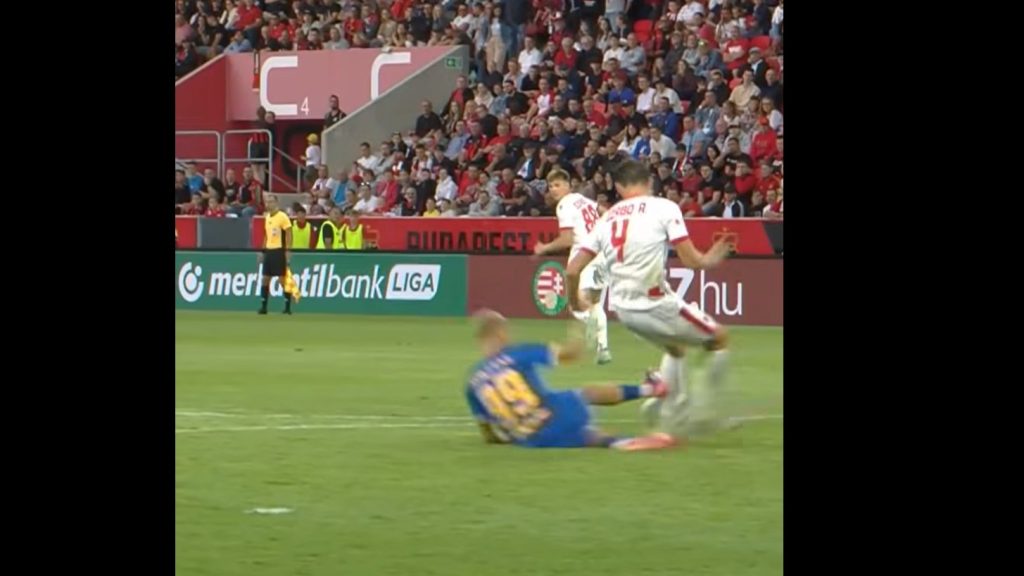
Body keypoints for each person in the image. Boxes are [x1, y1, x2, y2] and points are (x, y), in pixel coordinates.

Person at [565, 159, 734, 436]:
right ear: (649, 181)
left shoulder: (607, 218)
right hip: (655, 302)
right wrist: (711, 258)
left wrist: (575, 303)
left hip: (624, 310)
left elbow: (572, 270)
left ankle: (667, 407)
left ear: (619, 187)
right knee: (719, 339)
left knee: (675, 349)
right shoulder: (663, 208)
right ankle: (704, 412)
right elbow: (692, 262)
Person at [465, 310, 677, 451]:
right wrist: (578, 327)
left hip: (533, 440)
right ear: (500, 333)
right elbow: (572, 355)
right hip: (556, 413)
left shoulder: (472, 383)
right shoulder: (518, 354)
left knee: (584, 436)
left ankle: (622, 442)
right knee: (587, 394)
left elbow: (489, 434)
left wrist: (513, 435)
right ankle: (651, 389)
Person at [533, 168, 612, 364]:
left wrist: (544, 248)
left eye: (558, 185)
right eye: (551, 186)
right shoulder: (581, 199)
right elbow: (605, 211)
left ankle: (590, 325)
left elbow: (567, 239)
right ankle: (603, 348)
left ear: (568, 186)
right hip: (603, 253)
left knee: (578, 304)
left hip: (583, 255)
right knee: (594, 302)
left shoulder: (564, 205)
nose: (554, 189)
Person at [258, 194, 301, 315]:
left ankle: (287, 307)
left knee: (282, 279)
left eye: (271, 201)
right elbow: (267, 235)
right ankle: (263, 307)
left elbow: (289, 234)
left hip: (279, 251)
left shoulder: (282, 217)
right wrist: (262, 251)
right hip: (269, 251)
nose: (268, 204)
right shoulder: (267, 217)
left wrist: (288, 250)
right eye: (267, 202)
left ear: (276, 203)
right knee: (265, 279)